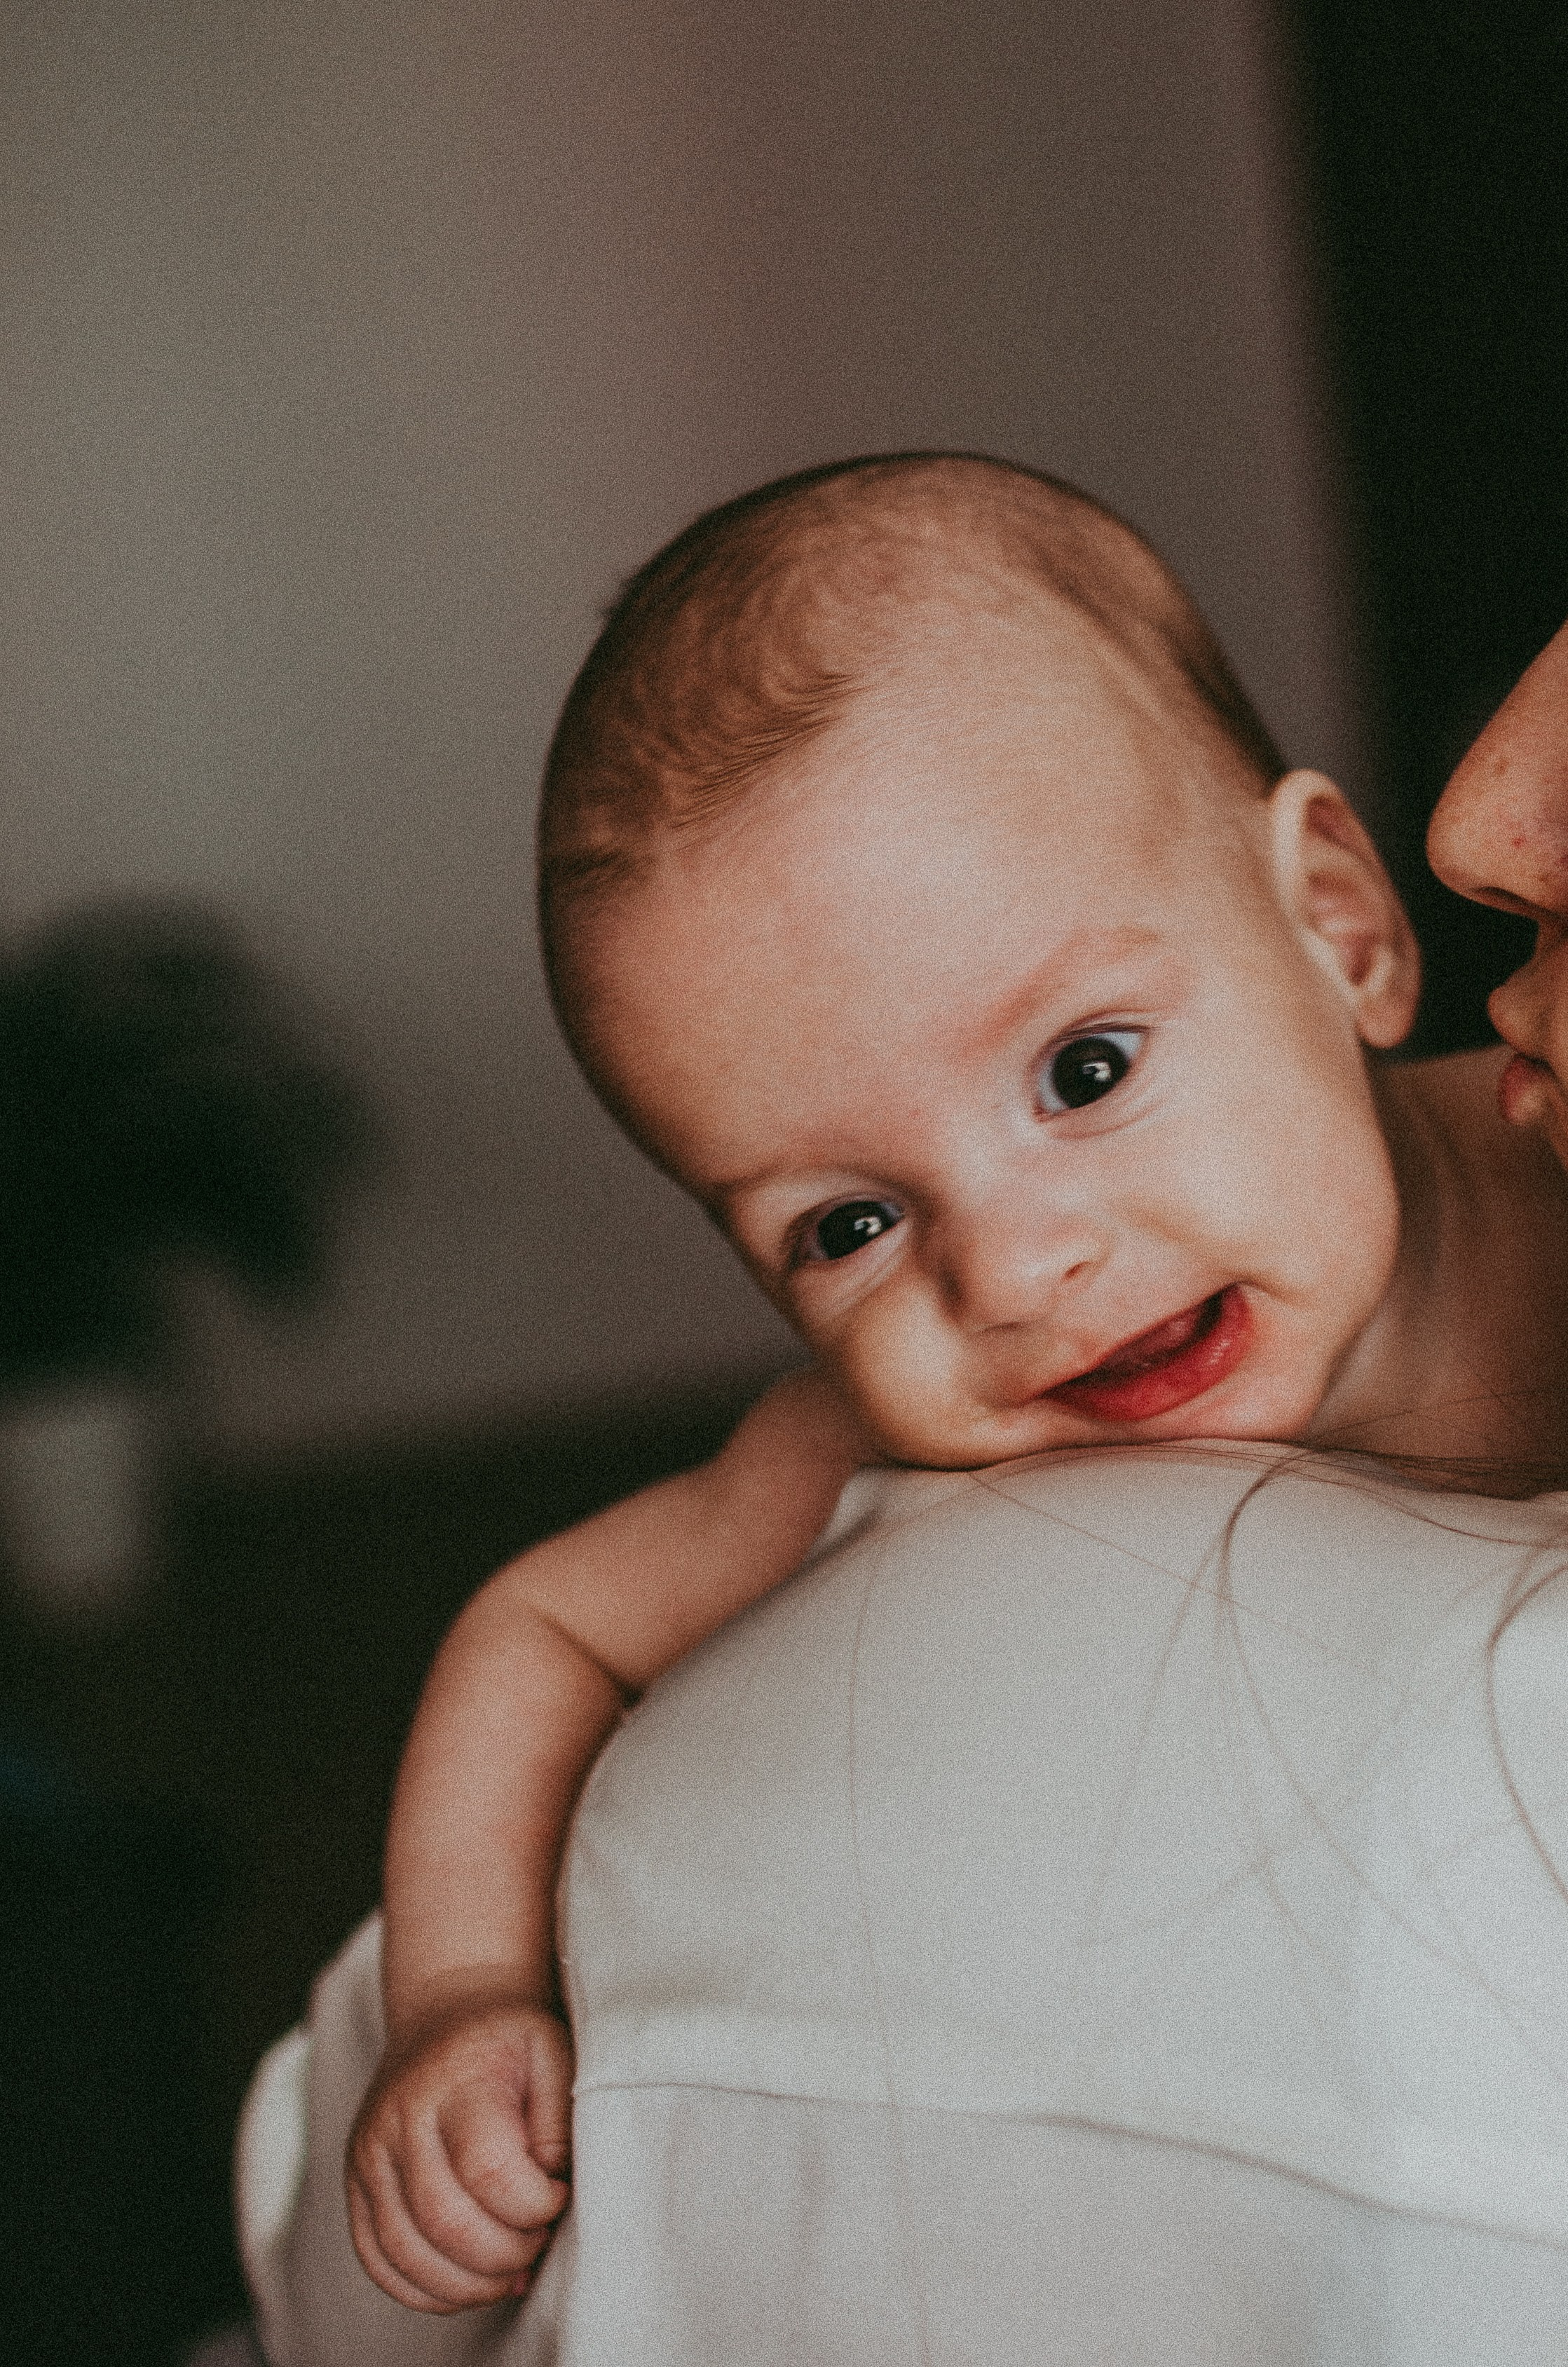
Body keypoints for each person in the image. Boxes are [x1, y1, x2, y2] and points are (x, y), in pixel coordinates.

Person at [339, 454, 1568, 2318]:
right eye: (845, 1224)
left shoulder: (1546, 1168)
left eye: (1084, 1072)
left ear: (1342, 926)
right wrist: (459, 1994)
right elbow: (547, 1621)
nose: (1010, 1271)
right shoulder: (848, 1436)